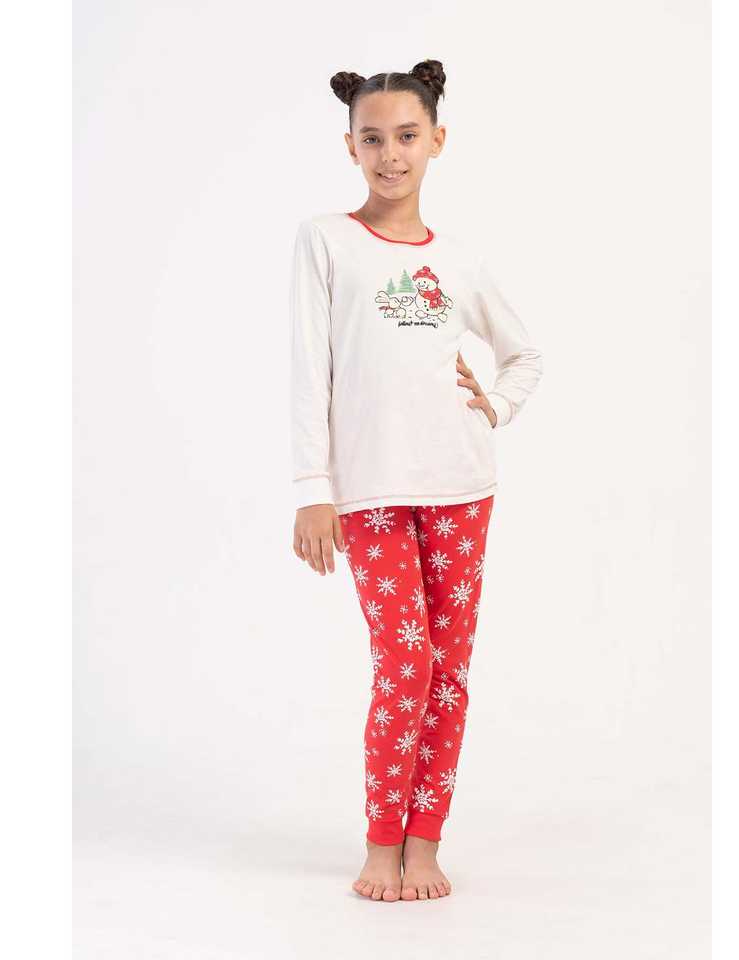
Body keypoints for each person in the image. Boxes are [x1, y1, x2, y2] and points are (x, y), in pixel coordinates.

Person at [289, 59, 544, 903]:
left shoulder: (461, 261)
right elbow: (310, 370)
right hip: (369, 491)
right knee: (405, 661)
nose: (390, 154)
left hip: (461, 484)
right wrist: (312, 486)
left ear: (437, 140)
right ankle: (380, 842)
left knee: (450, 670)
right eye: (373, 139)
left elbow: (524, 354)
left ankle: (425, 843)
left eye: (406, 136)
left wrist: (493, 406)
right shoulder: (327, 240)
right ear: (350, 147)